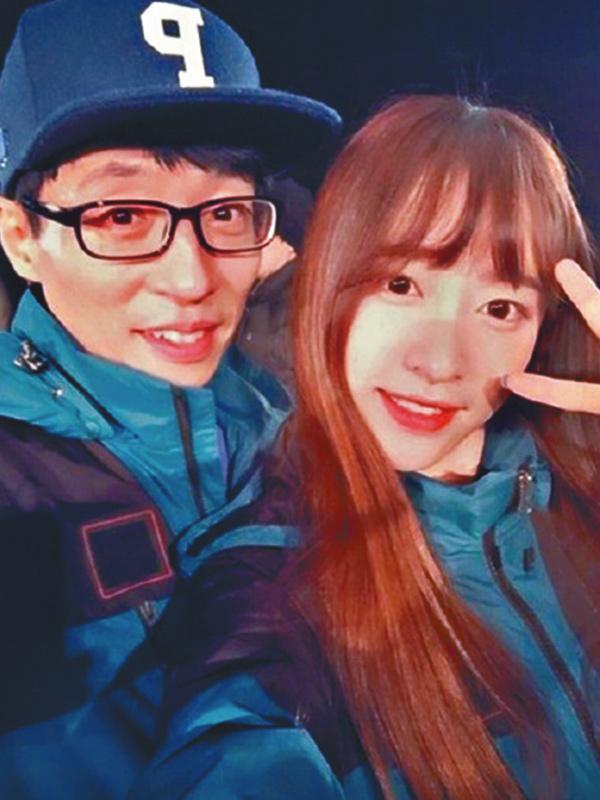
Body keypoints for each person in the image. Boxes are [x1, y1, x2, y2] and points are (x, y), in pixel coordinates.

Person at [132, 95, 600, 799]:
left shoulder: (578, 489)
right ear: (329, 280)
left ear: (545, 327)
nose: (440, 362)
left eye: (500, 308)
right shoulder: (271, 577)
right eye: (401, 284)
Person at [0, 0, 340, 797]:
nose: (191, 279)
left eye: (225, 211)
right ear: (21, 238)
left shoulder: (294, 439)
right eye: (122, 214)